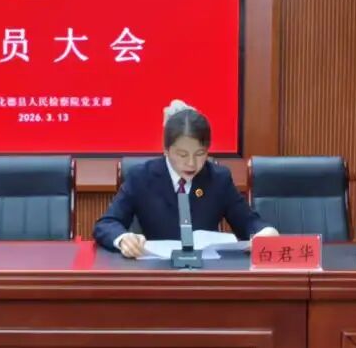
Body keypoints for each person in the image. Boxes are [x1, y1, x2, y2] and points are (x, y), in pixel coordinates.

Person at [94, 100, 278, 257]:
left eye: (200, 154)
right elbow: (107, 224)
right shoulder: (142, 177)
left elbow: (248, 222)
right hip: (156, 272)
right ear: (166, 150)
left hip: (204, 274)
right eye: (182, 155)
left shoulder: (218, 179)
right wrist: (123, 238)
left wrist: (265, 232)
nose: (191, 163)